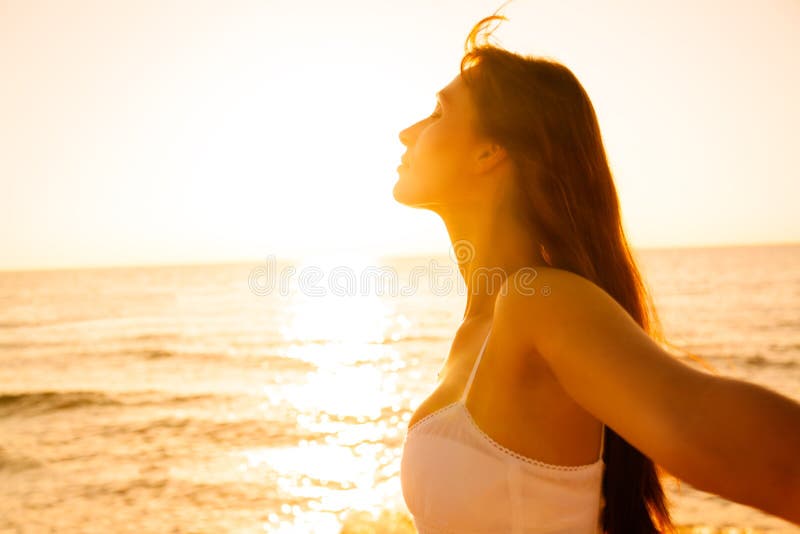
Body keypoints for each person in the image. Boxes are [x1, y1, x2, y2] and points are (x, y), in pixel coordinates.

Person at [393, 12, 800, 534]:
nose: (407, 133)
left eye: (437, 113)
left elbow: (754, 453)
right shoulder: (481, 328)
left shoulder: (538, 301)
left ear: (489, 151)